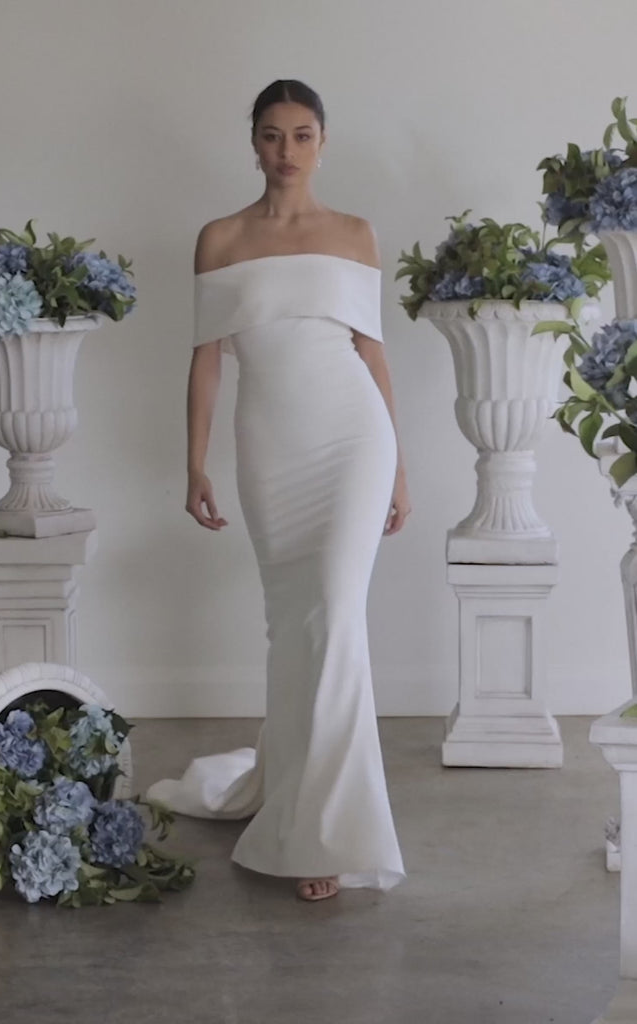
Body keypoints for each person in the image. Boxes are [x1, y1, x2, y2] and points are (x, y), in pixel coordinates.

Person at [146, 79, 411, 902]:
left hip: (352, 441)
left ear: (322, 142)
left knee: (334, 615)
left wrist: (398, 462)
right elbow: (206, 359)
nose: (285, 152)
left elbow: (371, 354)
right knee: (292, 631)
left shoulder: (355, 234)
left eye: (301, 136)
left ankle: (324, 834)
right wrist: (193, 464)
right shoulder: (219, 238)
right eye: (271, 135)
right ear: (252, 143)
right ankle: (291, 790)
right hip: (270, 451)